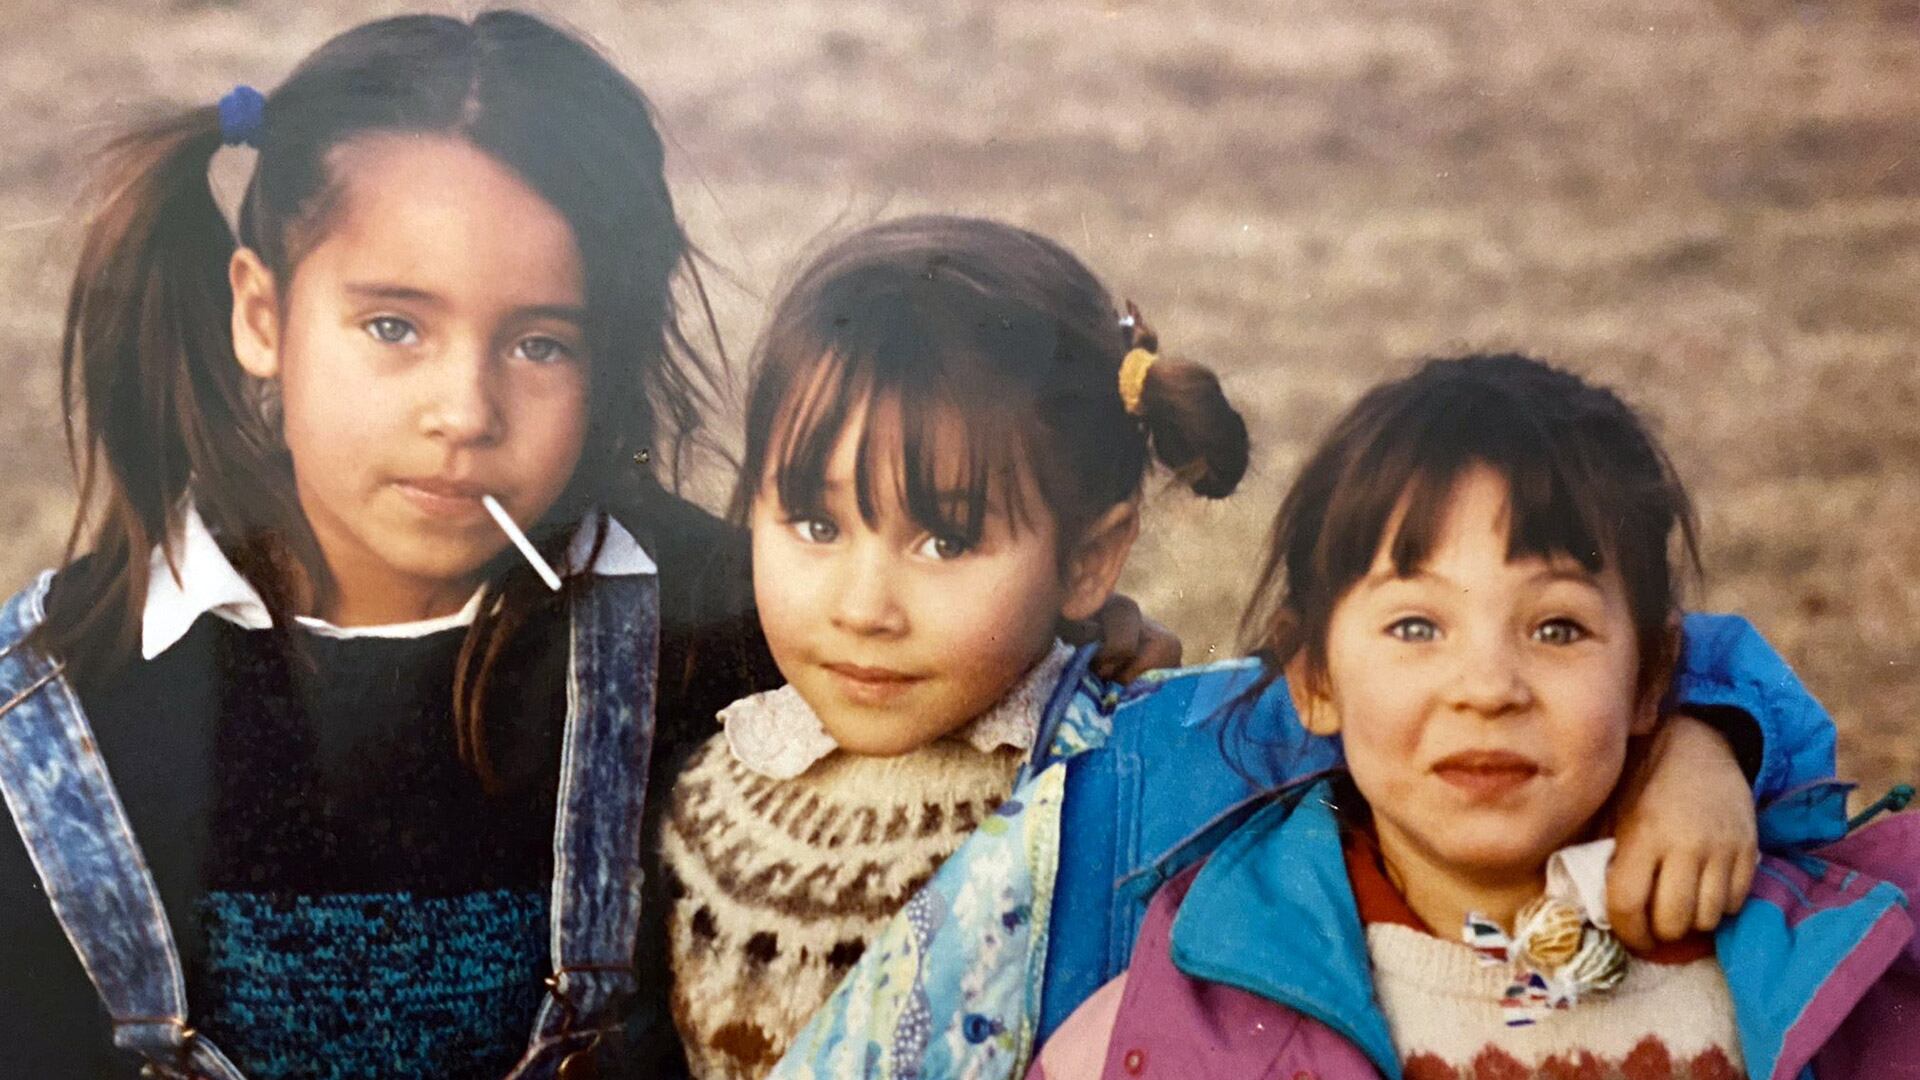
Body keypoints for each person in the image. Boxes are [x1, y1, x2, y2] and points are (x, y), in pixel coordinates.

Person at [1028, 354, 1916, 1080]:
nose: (1488, 689)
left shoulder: (1812, 962)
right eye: (1417, 627)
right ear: (1316, 680)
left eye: (1557, 627)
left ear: (1651, 678)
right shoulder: (1184, 1021)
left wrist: (1708, 746)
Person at [660, 214, 1251, 1079]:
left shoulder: (1129, 802)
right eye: (817, 524)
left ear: (1088, 560)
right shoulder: (706, 790)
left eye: (944, 541)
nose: (864, 609)